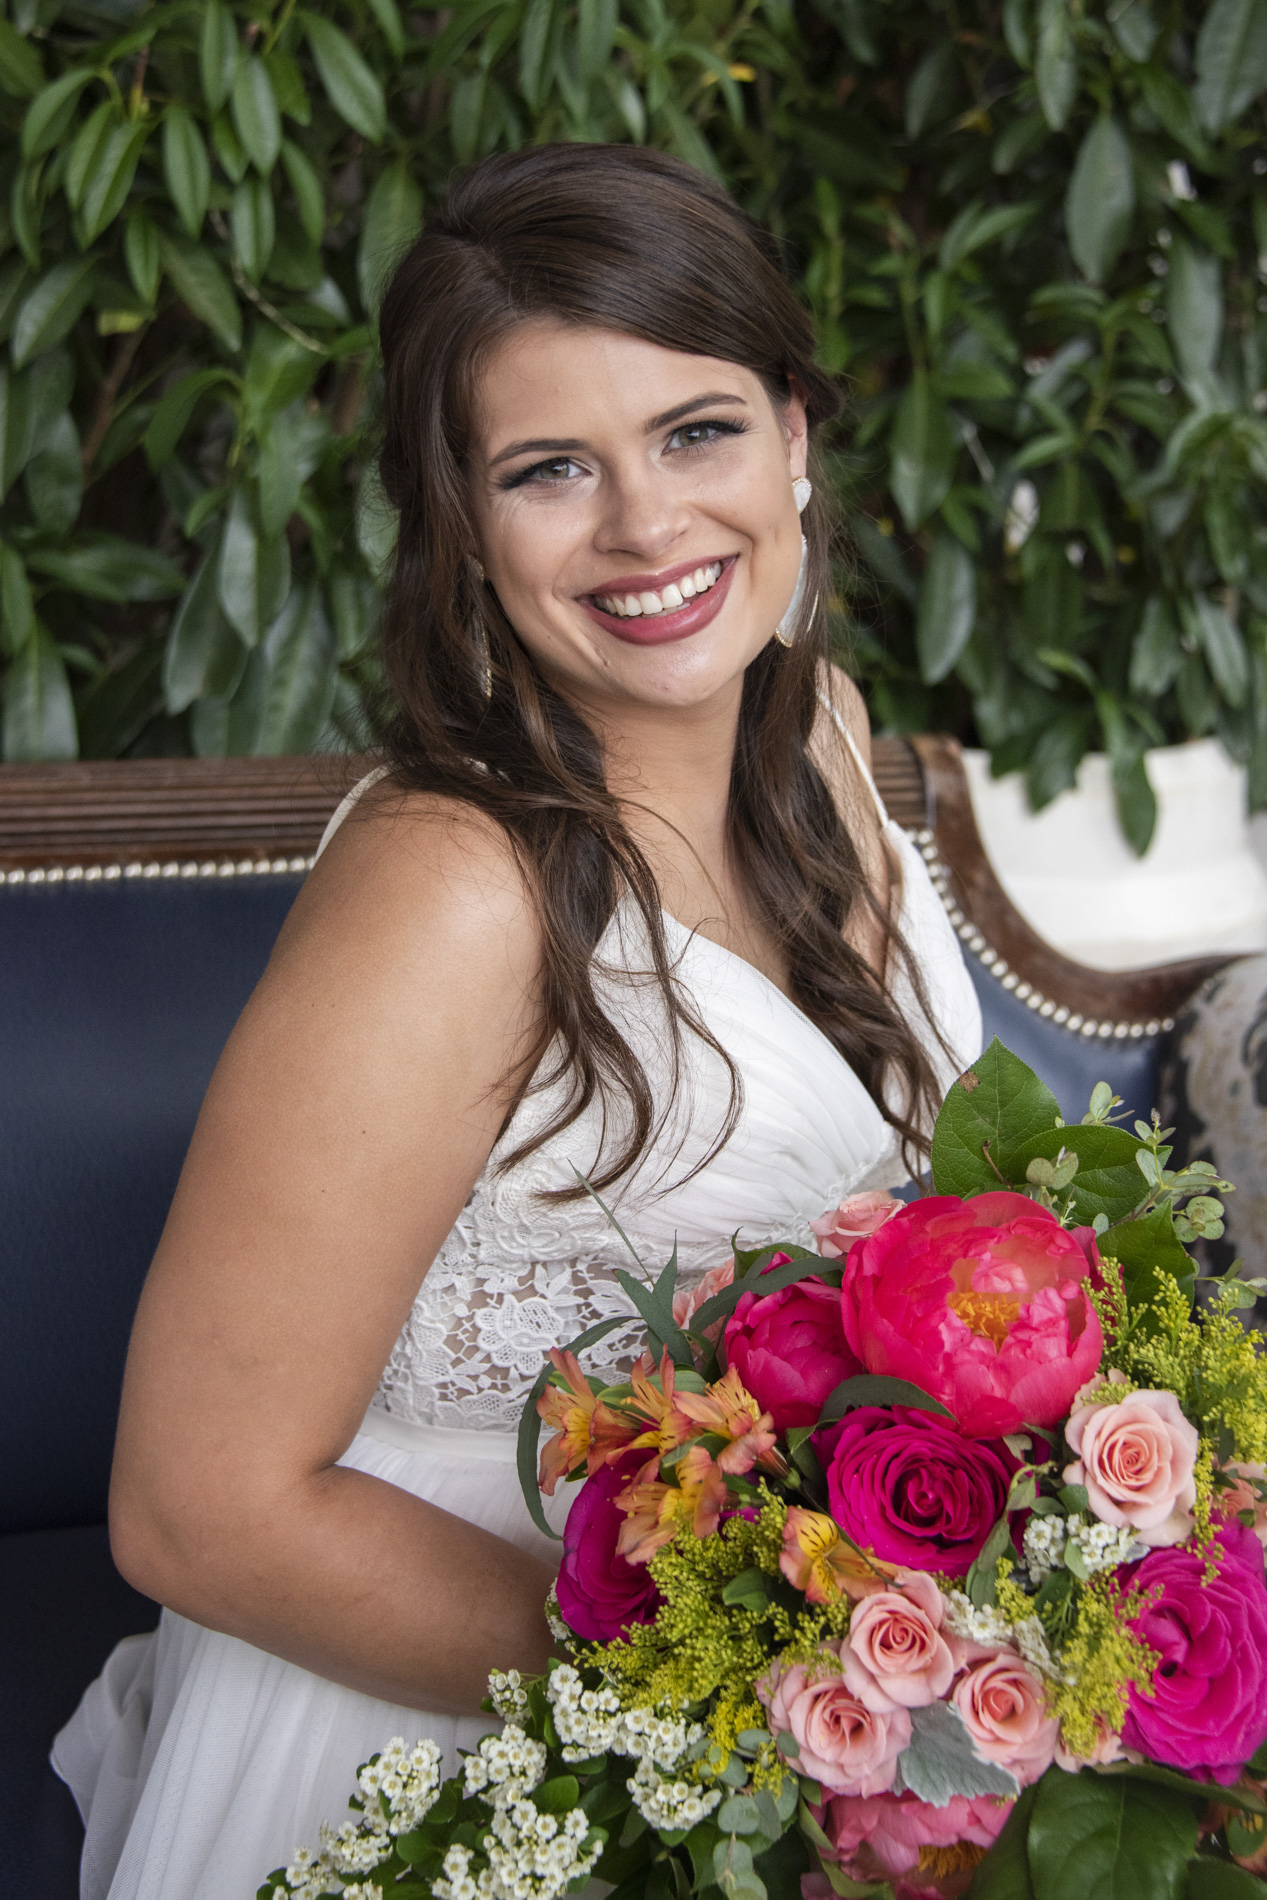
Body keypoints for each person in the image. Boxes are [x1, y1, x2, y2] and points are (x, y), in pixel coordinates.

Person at [51, 143, 981, 1899]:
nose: (646, 528)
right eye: (551, 470)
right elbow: (196, 1508)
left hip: (827, 1699)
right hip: (471, 1734)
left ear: (795, 434)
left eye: (696, 431)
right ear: (464, 527)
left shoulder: (829, 741)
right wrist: (738, 1707)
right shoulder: (451, 892)